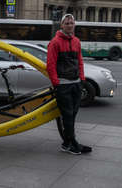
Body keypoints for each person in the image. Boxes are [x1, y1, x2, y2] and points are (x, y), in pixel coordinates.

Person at [46, 13, 91, 155]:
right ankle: (73, 143)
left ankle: (67, 143)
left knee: (73, 114)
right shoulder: (55, 42)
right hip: (63, 85)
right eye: (67, 23)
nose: (70, 25)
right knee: (68, 115)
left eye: (72, 23)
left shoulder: (76, 41)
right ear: (62, 25)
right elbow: (50, 65)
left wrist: (82, 79)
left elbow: (80, 61)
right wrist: (56, 83)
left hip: (76, 83)